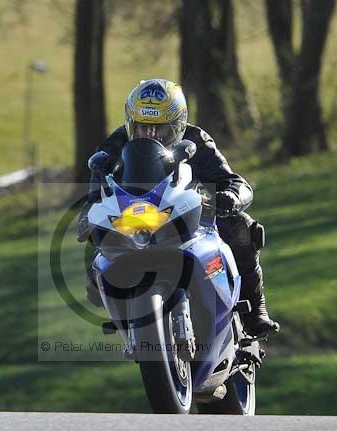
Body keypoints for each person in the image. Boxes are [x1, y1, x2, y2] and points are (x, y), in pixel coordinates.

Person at [77, 78, 279, 338]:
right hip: (136, 218)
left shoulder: (198, 140)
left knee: (241, 226)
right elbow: (97, 185)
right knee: (98, 247)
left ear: (179, 126)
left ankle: (255, 310)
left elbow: (234, 182)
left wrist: (230, 196)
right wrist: (89, 212)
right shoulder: (116, 142)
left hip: (191, 215)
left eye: (160, 131)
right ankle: (116, 302)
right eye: (141, 128)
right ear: (130, 124)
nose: (150, 136)